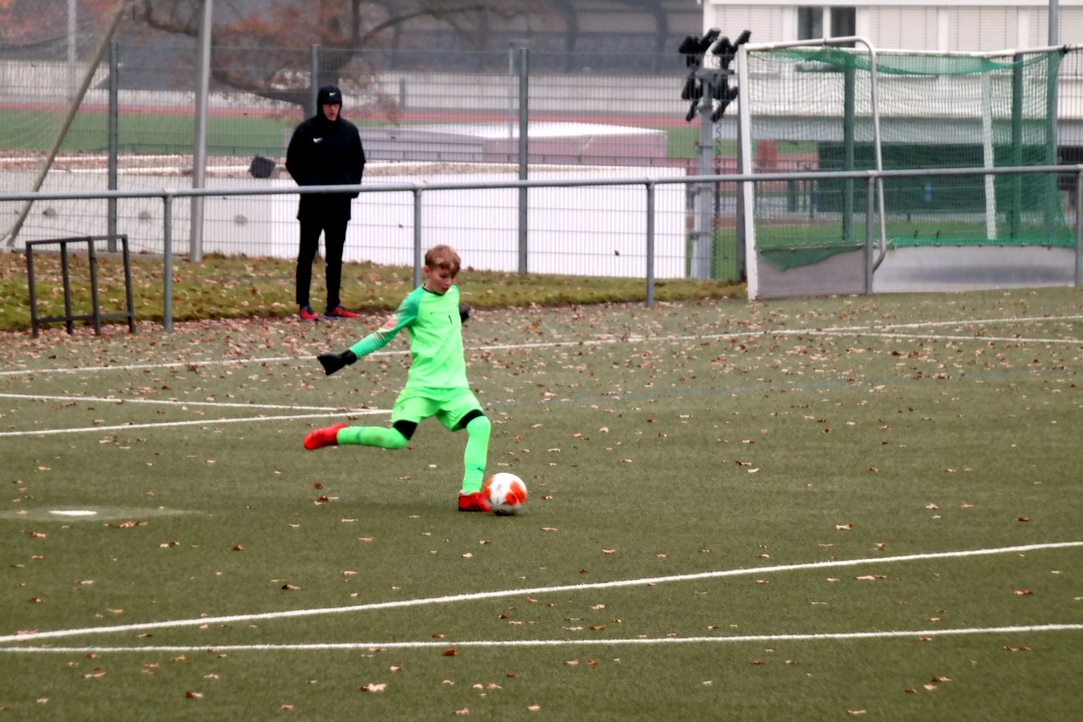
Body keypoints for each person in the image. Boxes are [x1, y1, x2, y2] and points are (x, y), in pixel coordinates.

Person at [303, 245, 492, 512]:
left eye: (452, 277)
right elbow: (383, 334)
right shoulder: (414, 302)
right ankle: (339, 435)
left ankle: (470, 494)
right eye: (442, 276)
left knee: (481, 425)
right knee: (397, 440)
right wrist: (347, 356)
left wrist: (457, 318)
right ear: (427, 271)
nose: (448, 283)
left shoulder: (453, 294)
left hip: (455, 388)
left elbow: (441, 324)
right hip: (423, 387)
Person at [285, 84, 366, 321]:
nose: (332, 109)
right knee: (306, 255)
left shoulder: (350, 131)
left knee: (335, 257)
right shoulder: (306, 130)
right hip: (312, 206)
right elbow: (292, 161)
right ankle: (304, 305)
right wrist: (308, 185)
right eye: (328, 104)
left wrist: (352, 188)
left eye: (336, 104)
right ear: (321, 106)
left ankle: (334, 305)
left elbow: (358, 161)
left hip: (339, 207)